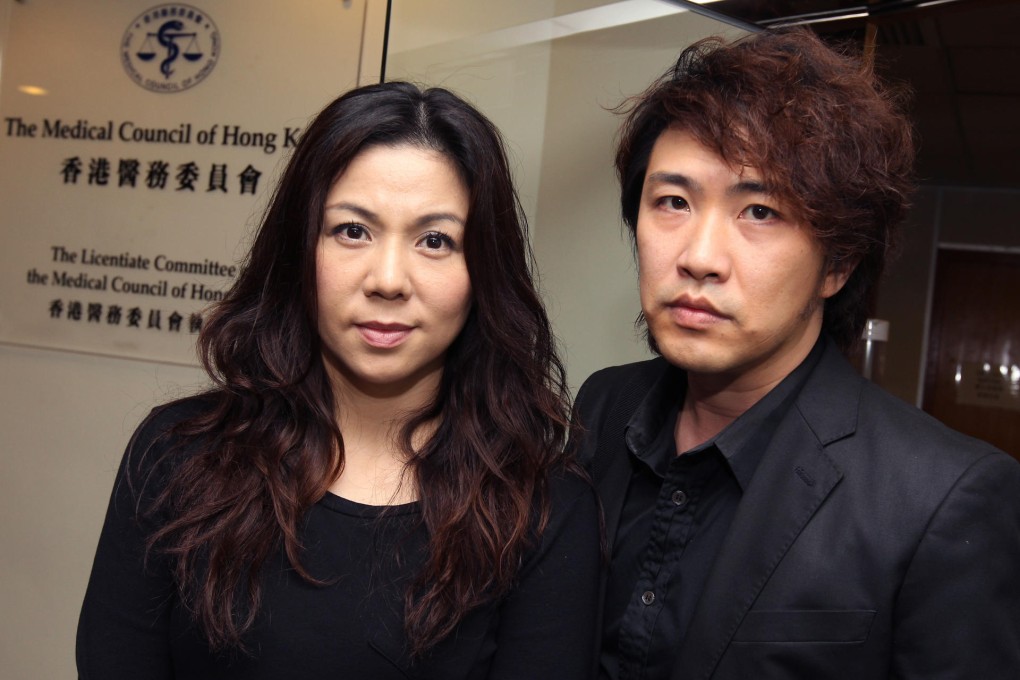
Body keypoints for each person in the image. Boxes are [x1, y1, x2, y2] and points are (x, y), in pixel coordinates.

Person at [77, 81, 600, 680]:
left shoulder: (541, 509)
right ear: (301, 249)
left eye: (435, 240)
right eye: (353, 230)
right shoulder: (179, 457)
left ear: (482, 271)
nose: (387, 279)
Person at [574, 28, 1020, 680]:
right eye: (672, 202)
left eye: (759, 211)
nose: (698, 258)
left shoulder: (942, 500)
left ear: (837, 262)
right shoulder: (604, 408)